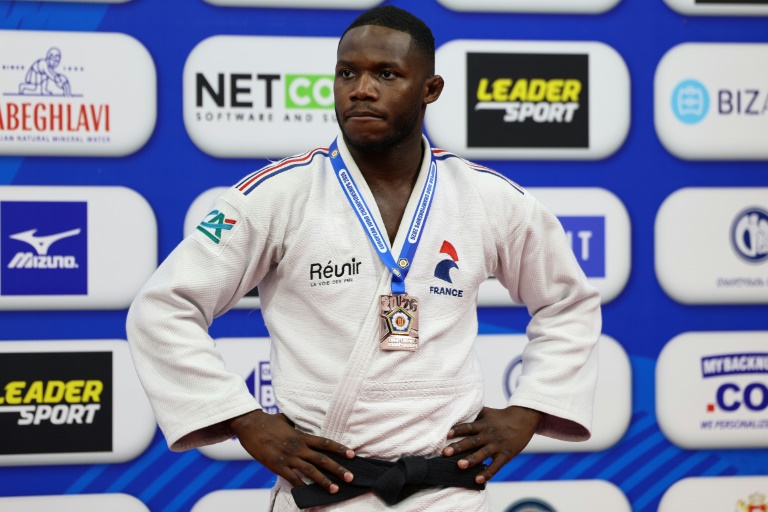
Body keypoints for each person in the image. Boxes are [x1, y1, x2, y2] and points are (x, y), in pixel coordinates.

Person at [127, 6, 601, 511]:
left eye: (387, 74)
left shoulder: (486, 198)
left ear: (430, 89)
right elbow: (163, 308)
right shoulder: (279, 195)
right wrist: (244, 419)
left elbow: (566, 302)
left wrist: (530, 409)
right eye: (347, 72)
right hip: (326, 491)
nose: (361, 89)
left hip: (445, 491)